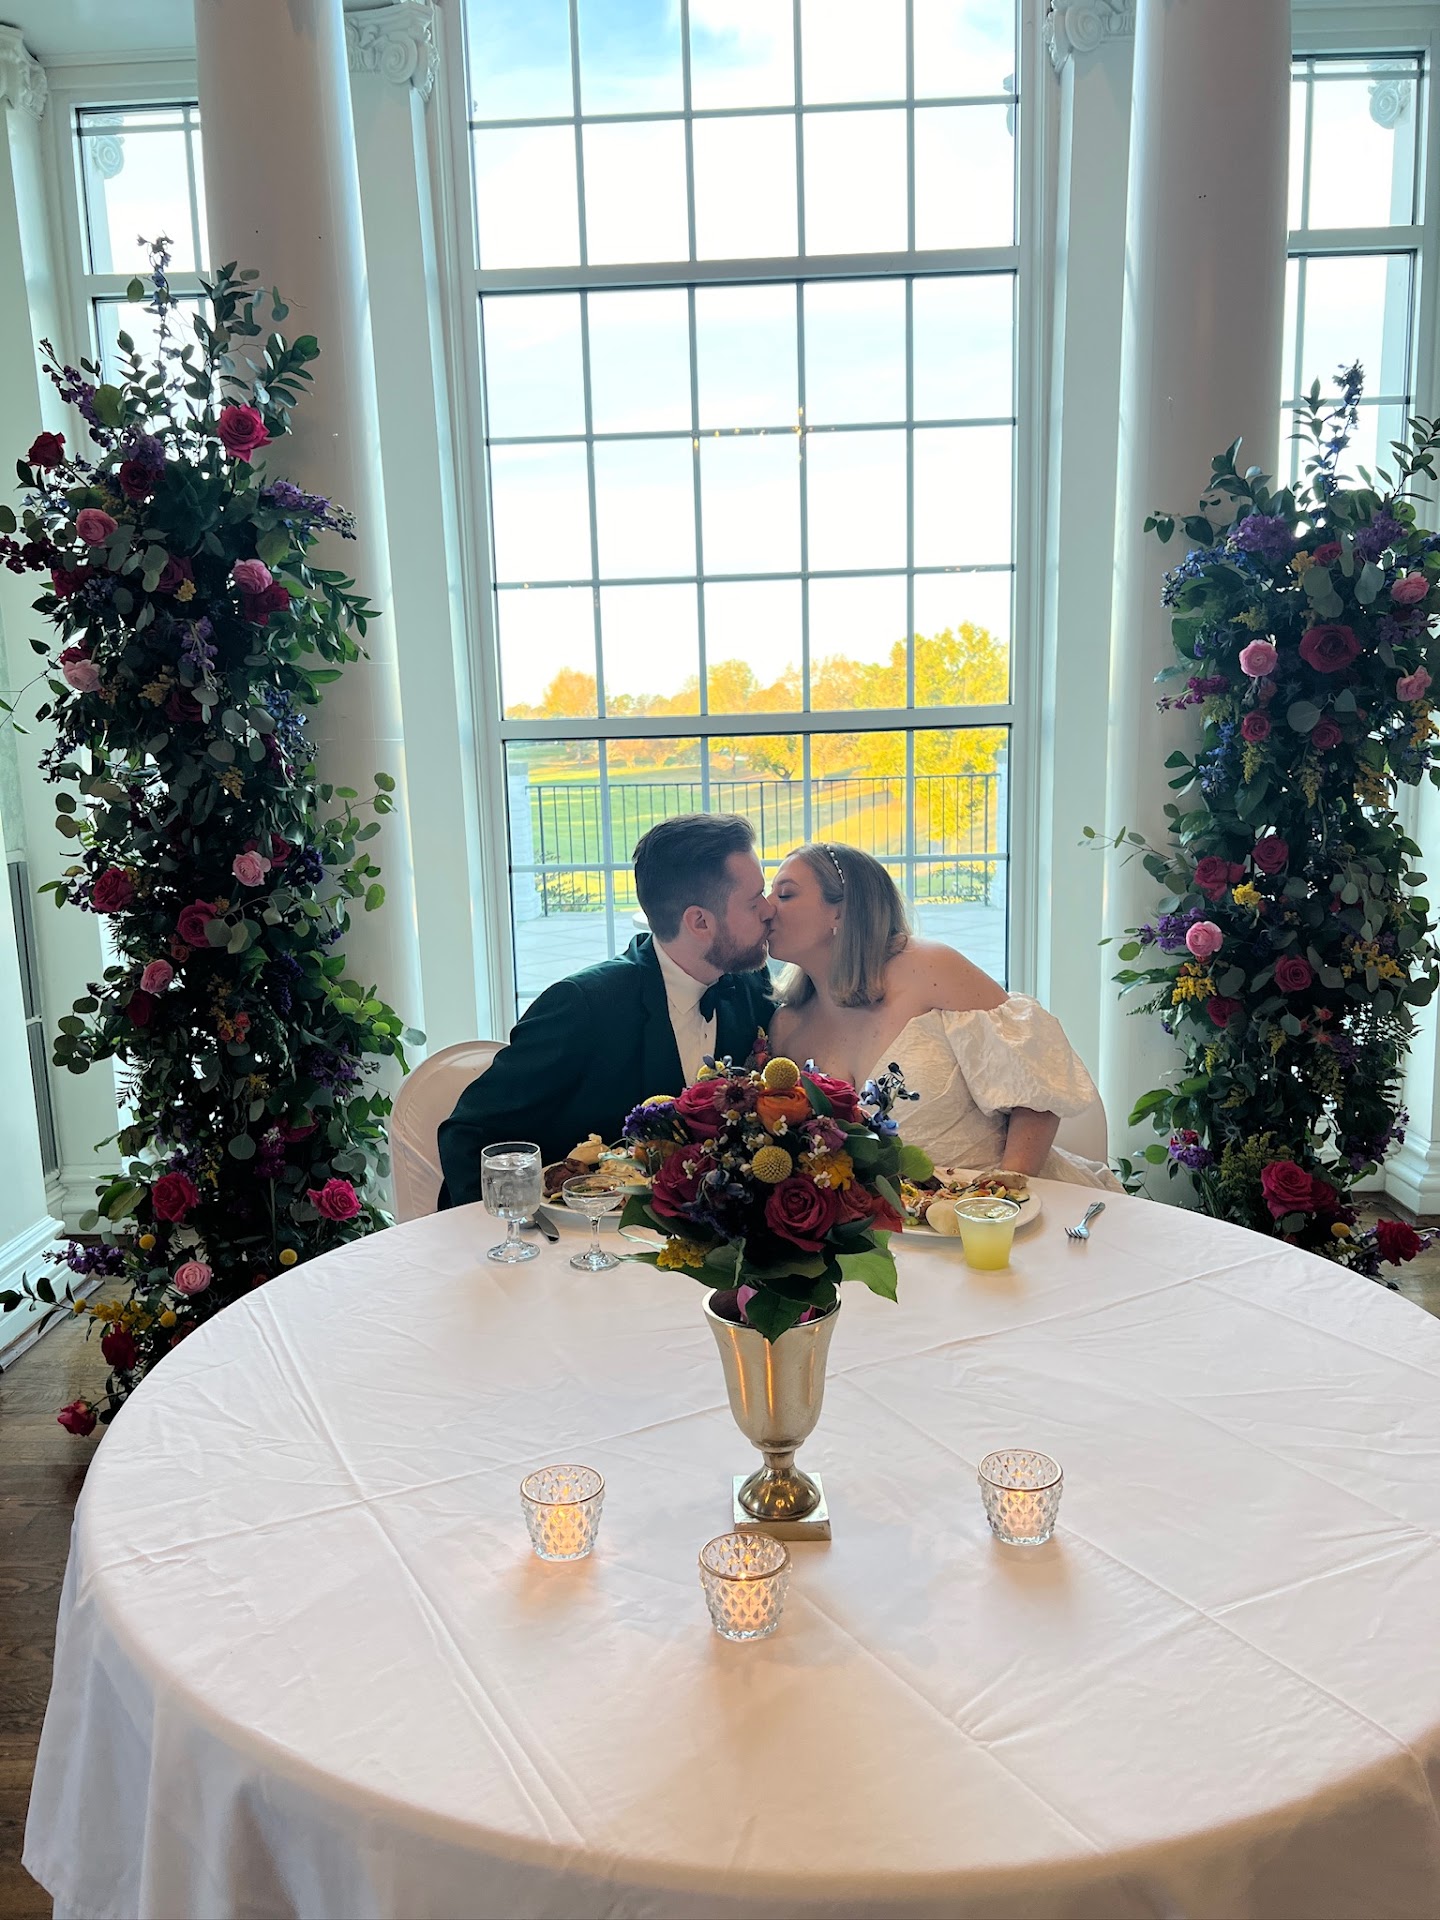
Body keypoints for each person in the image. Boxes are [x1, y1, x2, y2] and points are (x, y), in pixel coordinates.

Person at [436, 814, 775, 1206]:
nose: (769, 910)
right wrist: (517, 1230)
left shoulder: (749, 985)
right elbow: (469, 1133)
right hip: (579, 1234)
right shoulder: (582, 1006)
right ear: (699, 921)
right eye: (755, 901)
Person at [765, 842, 1118, 1188]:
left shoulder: (928, 969)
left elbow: (1035, 1082)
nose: (767, 908)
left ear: (841, 912)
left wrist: (1004, 1193)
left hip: (1015, 1205)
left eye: (785, 894)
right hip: (891, 1224)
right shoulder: (785, 1029)